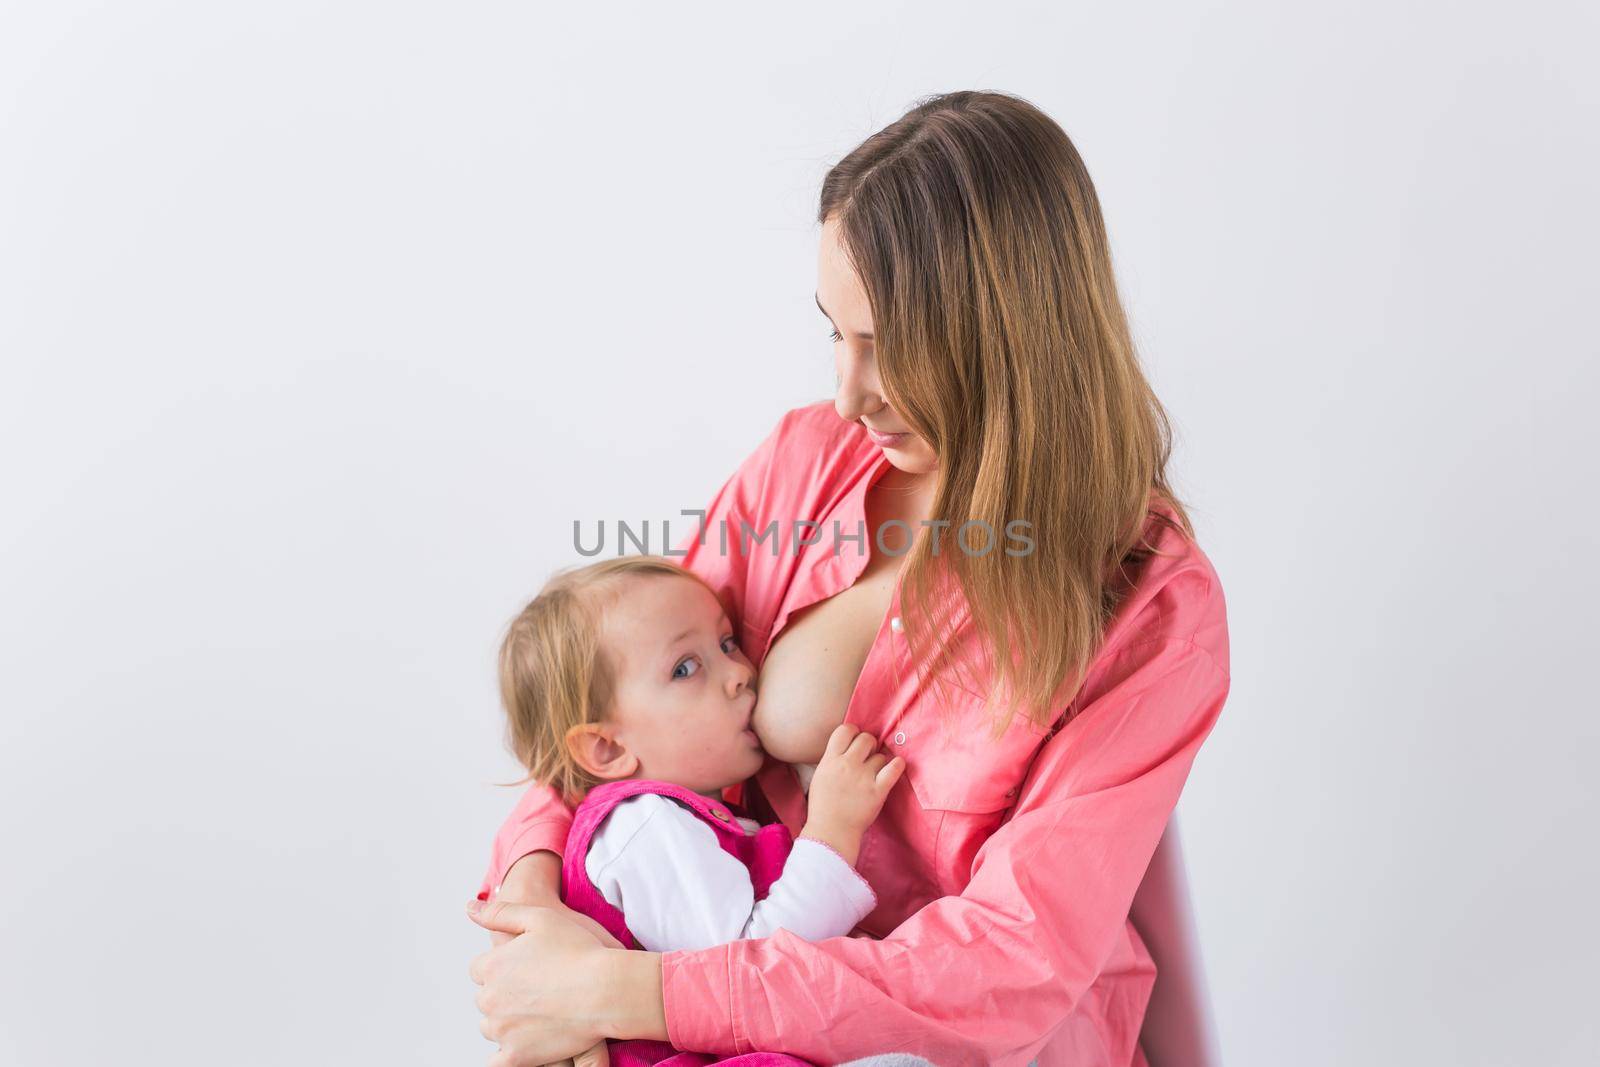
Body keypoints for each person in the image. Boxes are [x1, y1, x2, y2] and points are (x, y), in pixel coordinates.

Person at [468, 89, 1231, 1067]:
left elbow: (1013, 960)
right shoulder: (805, 463)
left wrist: (633, 990)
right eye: (836, 331)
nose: (848, 390)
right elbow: (610, 688)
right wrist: (536, 903)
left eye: (891, 345)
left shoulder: (1152, 606)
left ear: (1010, 337)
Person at [484, 554, 906, 1065]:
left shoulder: (679, 817)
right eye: (686, 668)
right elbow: (750, 967)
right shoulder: (646, 826)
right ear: (606, 750)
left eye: (727, 644)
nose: (740, 674)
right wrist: (834, 829)